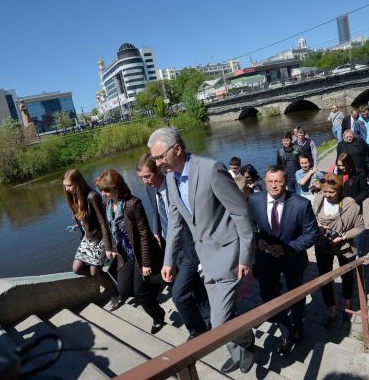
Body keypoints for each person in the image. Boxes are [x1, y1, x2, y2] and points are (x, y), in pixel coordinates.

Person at [148, 127, 256, 374]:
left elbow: (240, 212)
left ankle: (246, 341)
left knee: (218, 321)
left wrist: (246, 255)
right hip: (206, 260)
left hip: (229, 254)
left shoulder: (211, 169)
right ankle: (238, 352)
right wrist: (168, 261)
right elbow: (175, 224)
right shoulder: (172, 180)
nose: (157, 162)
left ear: (177, 149)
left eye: (159, 156)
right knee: (222, 315)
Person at [136, 154, 210, 339]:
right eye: (141, 178)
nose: (145, 181)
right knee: (194, 284)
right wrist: (156, 230)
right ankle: (208, 317)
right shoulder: (150, 189)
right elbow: (155, 210)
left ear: (158, 170)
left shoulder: (175, 185)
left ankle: (197, 330)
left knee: (178, 294)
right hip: (171, 247)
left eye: (147, 176)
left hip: (190, 245)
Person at [249, 166, 319, 355]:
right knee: (267, 295)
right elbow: (250, 227)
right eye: (270, 181)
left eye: (277, 181)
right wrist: (258, 240)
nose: (273, 186)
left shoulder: (301, 204)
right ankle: (289, 330)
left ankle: (299, 328)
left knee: (296, 296)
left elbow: (312, 234)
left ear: (285, 181)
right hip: (266, 259)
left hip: (292, 259)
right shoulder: (254, 200)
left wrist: (287, 248)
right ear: (264, 182)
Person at [95, 169, 166, 334]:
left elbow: (144, 234)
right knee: (124, 290)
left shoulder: (133, 204)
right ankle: (152, 291)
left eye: (106, 190)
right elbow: (106, 228)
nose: (104, 194)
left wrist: (146, 263)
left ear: (117, 187)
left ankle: (158, 316)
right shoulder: (107, 205)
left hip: (141, 253)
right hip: (125, 253)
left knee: (141, 291)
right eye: (101, 190)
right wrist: (109, 247)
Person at [312, 173, 365, 329]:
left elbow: (361, 227)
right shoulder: (318, 199)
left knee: (347, 276)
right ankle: (331, 310)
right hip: (323, 245)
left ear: (339, 190)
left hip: (344, 246)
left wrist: (343, 236)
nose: (327, 195)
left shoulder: (350, 205)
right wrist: (319, 227)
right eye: (324, 191)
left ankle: (347, 305)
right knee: (325, 278)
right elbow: (311, 218)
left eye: (331, 192)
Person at [63, 169, 119, 307]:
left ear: (78, 182)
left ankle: (114, 293)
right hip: (88, 239)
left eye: (69, 185)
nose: (67, 189)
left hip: (100, 238)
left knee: (95, 270)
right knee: (77, 268)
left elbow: (103, 222)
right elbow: (84, 219)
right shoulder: (74, 196)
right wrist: (80, 228)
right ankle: (105, 281)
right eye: (65, 186)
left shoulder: (92, 196)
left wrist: (108, 245)